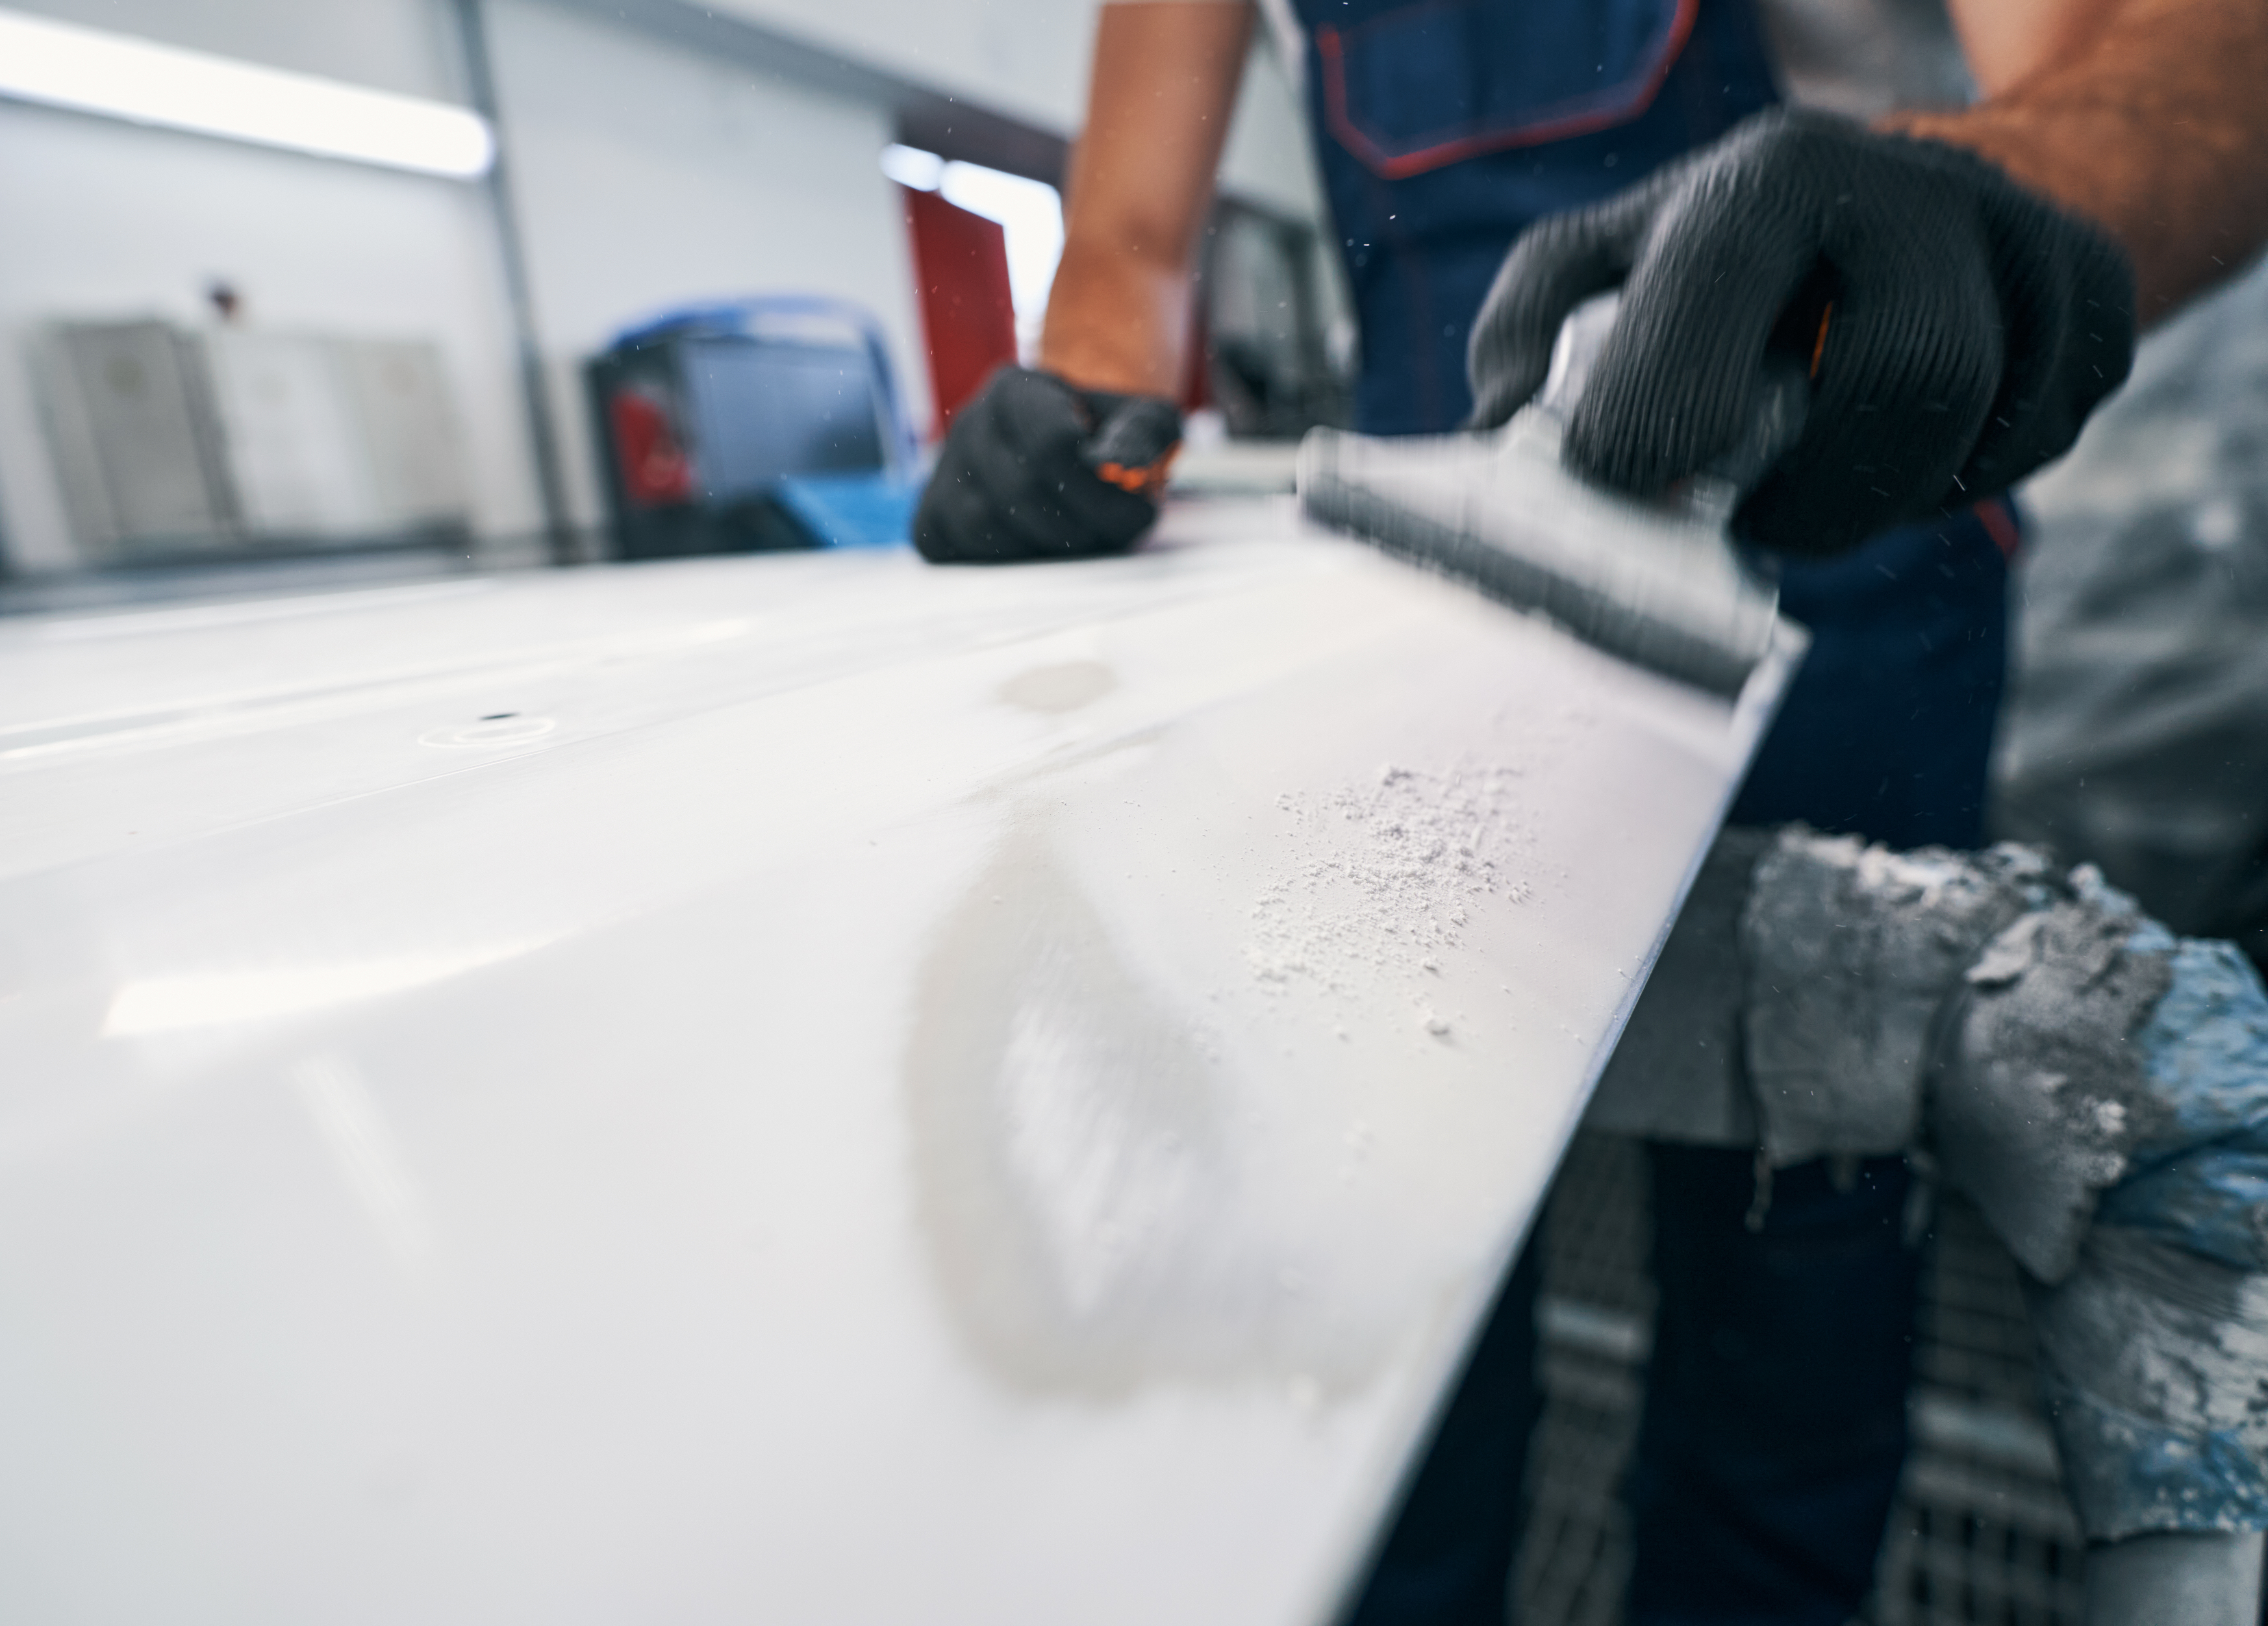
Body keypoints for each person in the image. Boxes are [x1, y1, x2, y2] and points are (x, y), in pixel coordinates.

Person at [912, 2, 2268, 1621]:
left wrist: (1986, 206)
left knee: (1801, 1270)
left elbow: (2172, 67)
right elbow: (1121, 265)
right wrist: (1073, 414)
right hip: (1439, 595)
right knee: (1379, 1260)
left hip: (1846, 559)